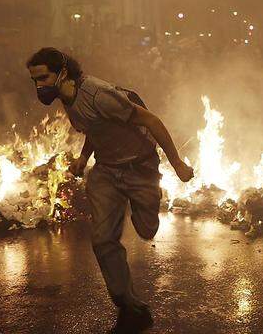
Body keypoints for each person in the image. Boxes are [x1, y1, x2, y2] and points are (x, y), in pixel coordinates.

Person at [26, 47, 194, 333]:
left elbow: (151, 121)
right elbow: (95, 127)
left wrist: (177, 163)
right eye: (35, 80)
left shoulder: (99, 94)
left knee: (146, 229)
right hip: (106, 171)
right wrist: (83, 157)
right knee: (103, 240)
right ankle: (129, 306)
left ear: (62, 72)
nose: (39, 86)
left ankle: (148, 201)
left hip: (139, 168)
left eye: (43, 78)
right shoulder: (66, 97)